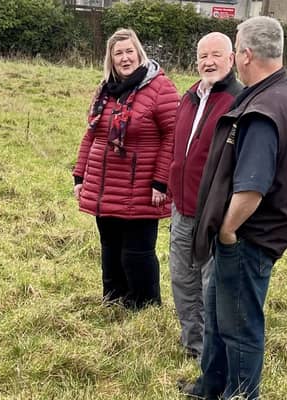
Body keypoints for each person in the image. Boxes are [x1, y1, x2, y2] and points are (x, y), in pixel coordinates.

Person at [181, 17, 287, 399]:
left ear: (246, 55)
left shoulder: (263, 108)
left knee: (241, 327)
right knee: (219, 319)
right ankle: (211, 386)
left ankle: (240, 394)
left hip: (247, 239)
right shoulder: (277, 92)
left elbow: (252, 189)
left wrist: (228, 230)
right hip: (243, 237)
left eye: (235, 48)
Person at [73, 28, 179, 310]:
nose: (124, 57)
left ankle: (144, 308)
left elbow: (173, 135)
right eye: (118, 53)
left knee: (137, 252)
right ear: (111, 59)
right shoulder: (105, 90)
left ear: (139, 53)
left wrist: (161, 181)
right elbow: (92, 134)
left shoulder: (159, 87)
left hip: (140, 185)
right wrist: (80, 175)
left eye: (129, 51)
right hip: (103, 184)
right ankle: (114, 301)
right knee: (110, 248)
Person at [168, 32, 242, 360]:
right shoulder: (190, 97)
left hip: (215, 212)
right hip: (182, 209)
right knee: (182, 281)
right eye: (202, 56)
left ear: (232, 58)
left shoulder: (239, 100)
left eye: (216, 55)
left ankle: (214, 352)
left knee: (213, 286)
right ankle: (193, 344)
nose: (208, 62)